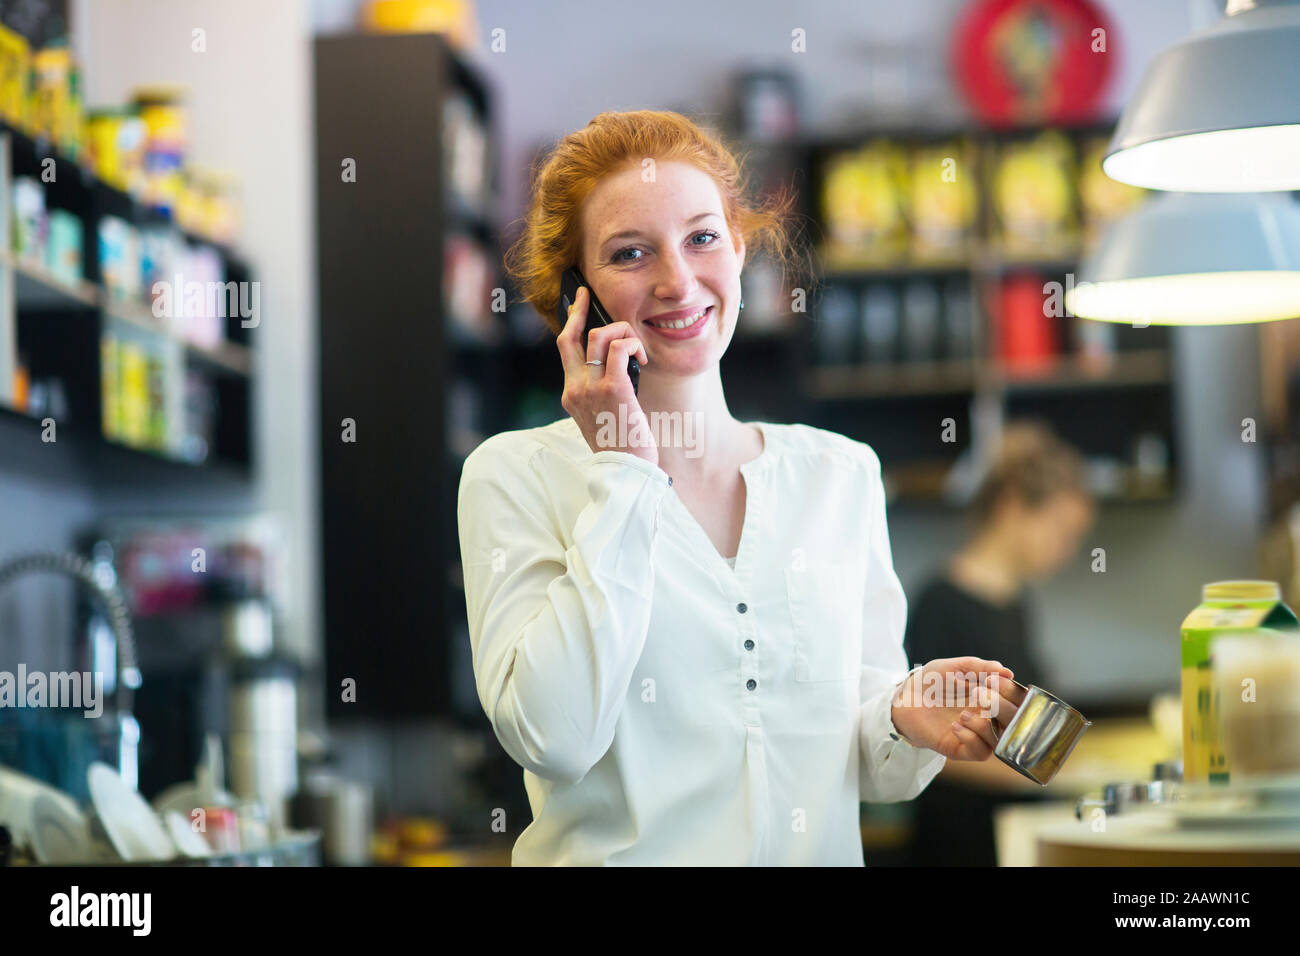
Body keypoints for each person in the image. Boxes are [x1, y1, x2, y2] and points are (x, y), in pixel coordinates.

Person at [458, 109, 1025, 865]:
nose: (677, 280)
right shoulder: (514, 476)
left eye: (701, 238)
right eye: (631, 253)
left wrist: (901, 715)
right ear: (577, 295)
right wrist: (623, 473)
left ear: (740, 249)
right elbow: (554, 739)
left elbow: (869, 764)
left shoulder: (839, 475)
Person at [902, 422, 1097, 866]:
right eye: (1061, 532)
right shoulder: (940, 602)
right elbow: (922, 736)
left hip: (1013, 835)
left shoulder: (1018, 602)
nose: (1067, 550)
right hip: (958, 840)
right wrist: (1028, 776)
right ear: (1011, 507)